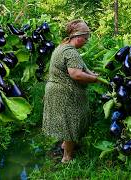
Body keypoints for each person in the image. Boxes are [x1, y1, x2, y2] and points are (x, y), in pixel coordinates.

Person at [43, 19, 100, 163]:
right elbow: (76, 74)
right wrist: (93, 79)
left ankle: (64, 145)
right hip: (65, 93)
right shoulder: (71, 52)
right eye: (86, 38)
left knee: (66, 121)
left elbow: (77, 69)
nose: (87, 41)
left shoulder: (63, 47)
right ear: (78, 36)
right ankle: (67, 158)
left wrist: (89, 73)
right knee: (72, 122)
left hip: (57, 90)